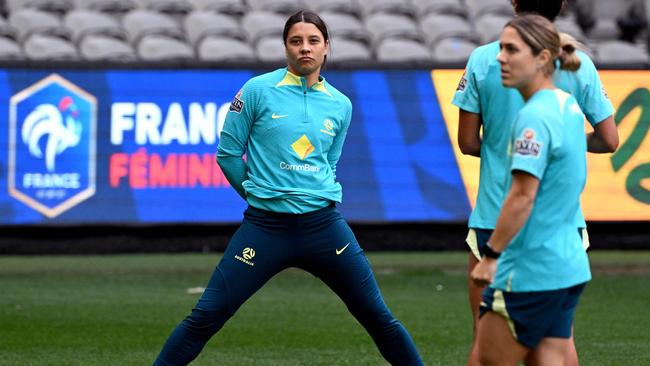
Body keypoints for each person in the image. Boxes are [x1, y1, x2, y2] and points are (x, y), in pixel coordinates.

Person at [152, 10, 424, 366]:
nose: (305, 48)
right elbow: (229, 155)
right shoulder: (256, 91)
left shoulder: (341, 104)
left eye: (313, 41)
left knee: (377, 316)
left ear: (327, 47)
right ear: (285, 47)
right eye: (296, 41)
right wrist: (256, 195)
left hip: (324, 228)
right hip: (265, 229)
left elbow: (330, 162)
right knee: (206, 315)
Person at [452, 1, 618, 365]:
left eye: (510, 50)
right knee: (553, 352)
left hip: (516, 242)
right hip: (567, 244)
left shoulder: (533, 116)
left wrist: (493, 254)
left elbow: (520, 192)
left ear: (541, 58)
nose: (500, 58)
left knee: (485, 355)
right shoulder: (566, 102)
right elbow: (609, 139)